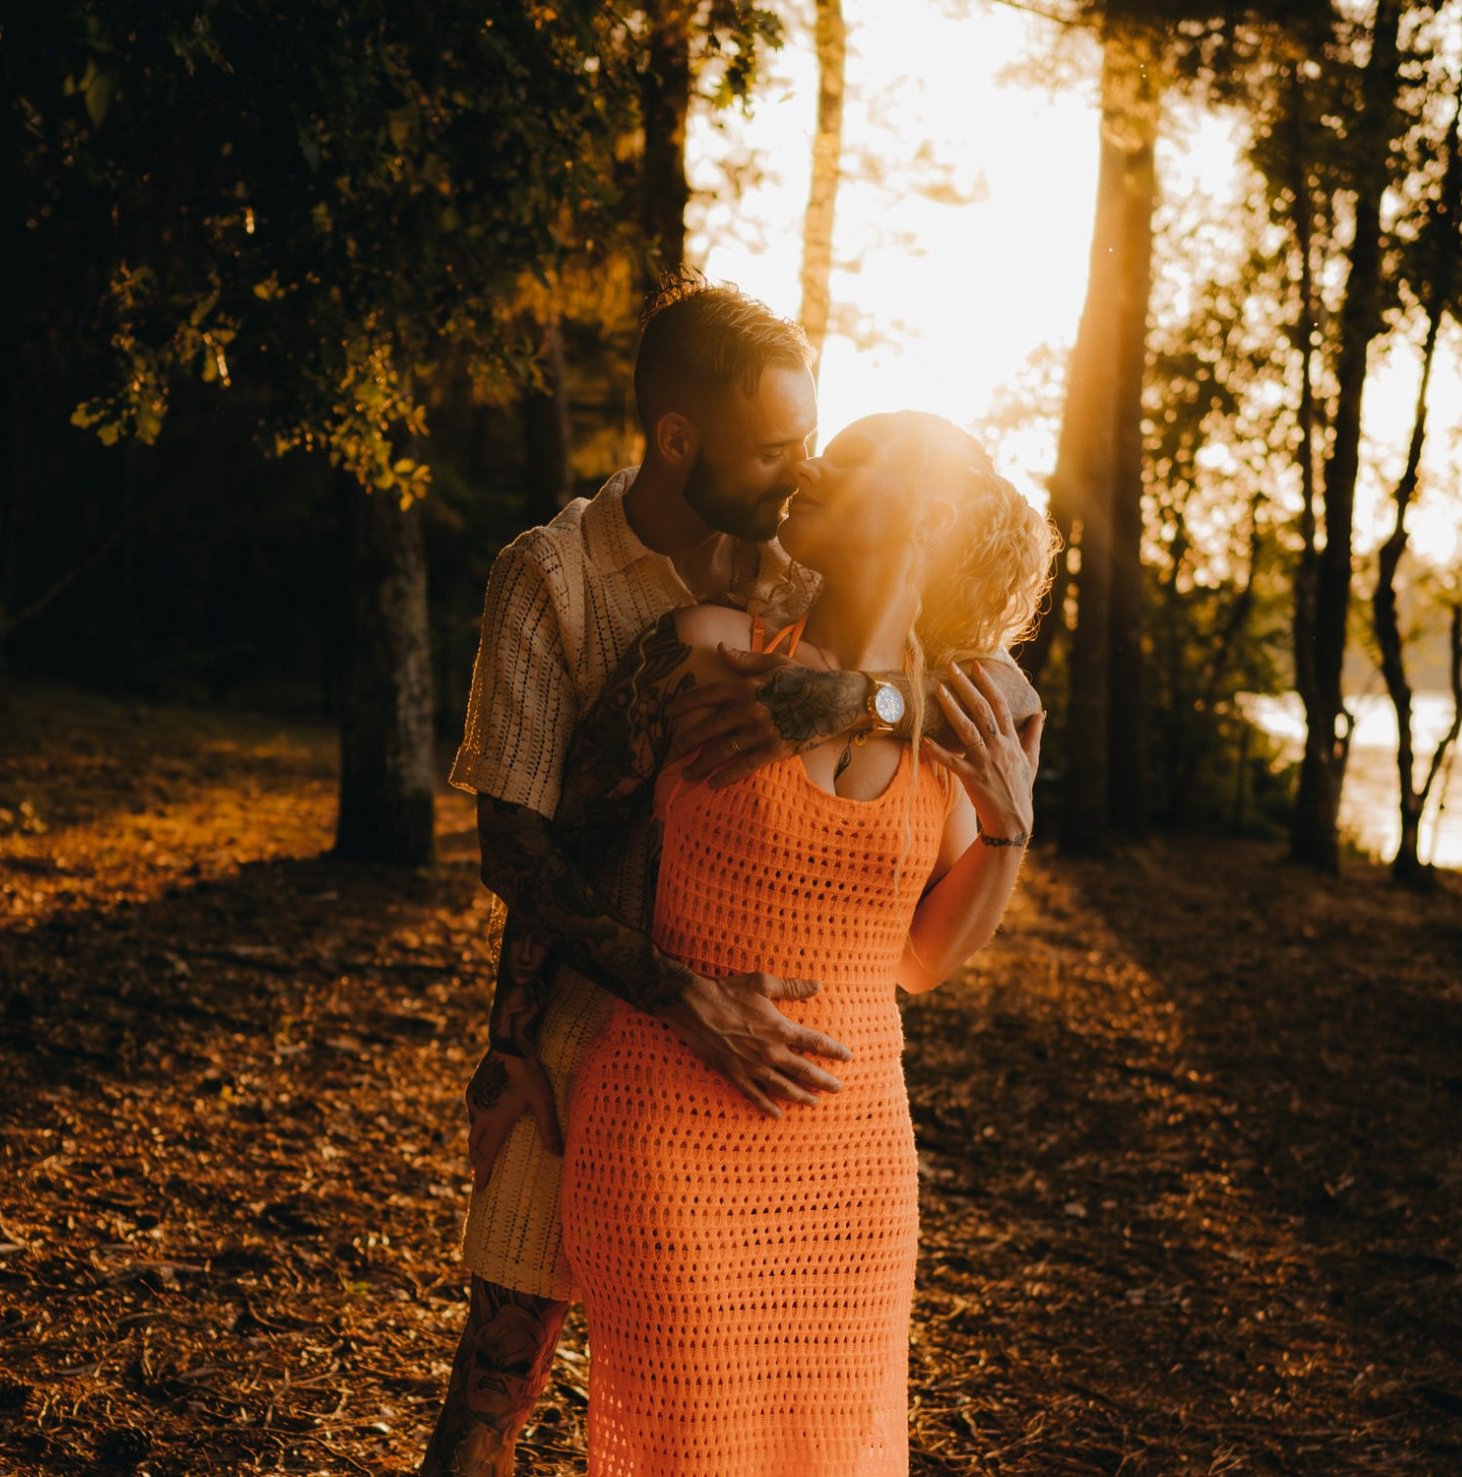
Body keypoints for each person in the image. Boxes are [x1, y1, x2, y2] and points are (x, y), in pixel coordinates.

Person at [420, 280, 1038, 1475]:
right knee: (498, 1378)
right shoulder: (561, 580)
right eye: (781, 449)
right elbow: (522, 846)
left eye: (816, 446)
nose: (801, 472)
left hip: (815, 1116)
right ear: (679, 440)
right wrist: (516, 1039)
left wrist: (871, 703)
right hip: (599, 1013)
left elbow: (915, 652)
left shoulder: (790, 577)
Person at [556, 411, 1053, 1474]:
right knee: (688, 1447)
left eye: (859, 455)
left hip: (854, 1161)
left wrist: (1010, 824)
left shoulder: (967, 715)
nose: (819, 459)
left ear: (927, 516)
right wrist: (568, 1025)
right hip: (668, 1127)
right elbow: (546, 853)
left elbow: (921, 961)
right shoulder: (702, 650)